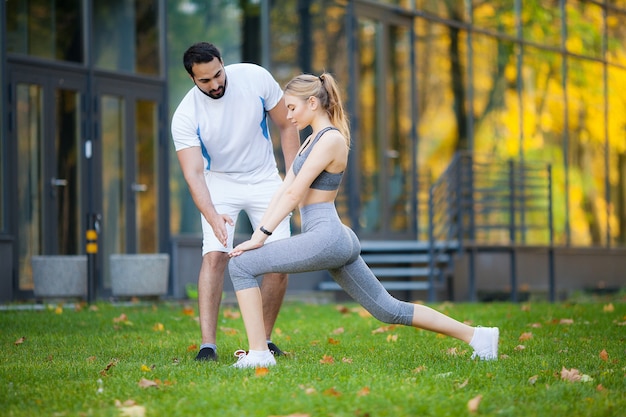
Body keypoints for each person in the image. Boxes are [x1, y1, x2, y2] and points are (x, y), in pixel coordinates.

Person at [227, 72, 499, 369]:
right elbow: (284, 189)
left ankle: (259, 353)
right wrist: (259, 233)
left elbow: (295, 193)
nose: (287, 115)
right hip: (333, 235)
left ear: (313, 103)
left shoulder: (331, 140)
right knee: (388, 309)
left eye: (292, 107)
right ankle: (479, 337)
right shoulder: (310, 142)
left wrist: (260, 236)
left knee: (240, 265)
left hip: (326, 236)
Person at [171, 42, 300, 361]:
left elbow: (286, 124)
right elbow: (194, 174)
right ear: (192, 78)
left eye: (218, 74)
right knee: (214, 256)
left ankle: (264, 340)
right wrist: (212, 214)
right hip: (219, 182)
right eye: (205, 80)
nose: (215, 84)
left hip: (264, 177)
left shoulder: (255, 77)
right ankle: (207, 345)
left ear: (222, 63)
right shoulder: (185, 115)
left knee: (278, 260)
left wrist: (293, 179)